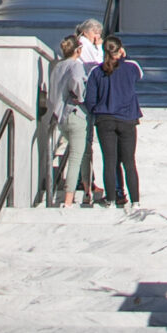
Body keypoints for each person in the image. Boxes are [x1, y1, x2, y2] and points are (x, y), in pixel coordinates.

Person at [84, 36, 144, 207]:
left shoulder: (96, 71)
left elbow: (90, 99)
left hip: (105, 119)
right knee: (129, 162)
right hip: (127, 118)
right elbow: (139, 75)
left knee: (109, 161)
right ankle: (135, 200)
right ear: (120, 50)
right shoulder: (131, 67)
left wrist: (97, 109)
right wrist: (124, 56)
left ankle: (110, 199)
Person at [46, 35, 87, 207]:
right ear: (78, 50)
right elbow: (77, 81)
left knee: (81, 154)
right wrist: (80, 96)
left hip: (60, 115)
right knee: (76, 157)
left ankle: (87, 189)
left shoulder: (58, 66)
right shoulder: (75, 65)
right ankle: (69, 199)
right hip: (74, 112)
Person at [73, 19, 104, 205]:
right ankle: (84, 181)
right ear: (87, 32)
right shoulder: (83, 45)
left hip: (87, 97)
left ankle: (86, 180)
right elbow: (98, 65)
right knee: (84, 143)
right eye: (95, 33)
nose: (97, 37)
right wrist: (99, 48)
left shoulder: (85, 44)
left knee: (85, 143)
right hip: (85, 99)